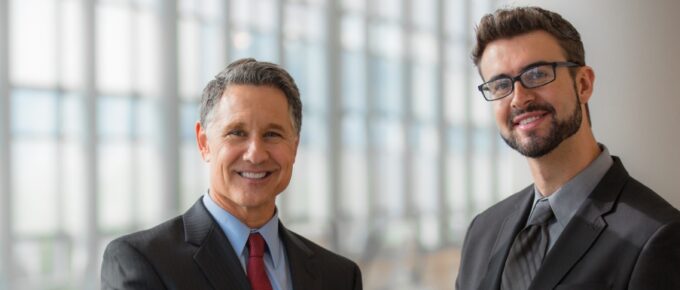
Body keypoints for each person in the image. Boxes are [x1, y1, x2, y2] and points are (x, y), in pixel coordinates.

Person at [456, 6, 680, 290]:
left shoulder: (657, 236)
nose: (519, 98)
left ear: (583, 84)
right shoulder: (482, 231)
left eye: (536, 74)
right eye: (501, 85)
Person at [101, 58, 362, 290]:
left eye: (272, 134)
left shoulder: (339, 277)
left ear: (294, 147)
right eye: (237, 133)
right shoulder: (142, 262)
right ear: (204, 143)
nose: (256, 154)